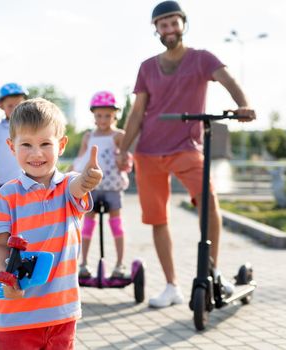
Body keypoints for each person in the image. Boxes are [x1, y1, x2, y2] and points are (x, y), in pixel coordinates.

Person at [117, 1, 256, 308]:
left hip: (186, 147)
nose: (169, 29)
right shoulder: (147, 67)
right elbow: (137, 112)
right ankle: (171, 286)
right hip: (149, 151)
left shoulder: (201, 59)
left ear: (183, 24)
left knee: (208, 203)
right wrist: (123, 149)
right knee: (157, 219)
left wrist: (243, 104)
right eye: (163, 24)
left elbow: (229, 81)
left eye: (173, 22)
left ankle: (213, 273)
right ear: (156, 30)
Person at [0, 98, 102, 349]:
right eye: (26, 144)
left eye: (45, 144)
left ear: (61, 145)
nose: (36, 153)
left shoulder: (67, 187)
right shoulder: (6, 196)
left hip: (61, 314)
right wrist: (4, 276)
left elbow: (78, 186)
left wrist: (88, 179)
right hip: (16, 315)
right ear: (11, 146)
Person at [73, 91, 130, 279]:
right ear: (93, 116)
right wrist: (71, 174)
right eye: (99, 115)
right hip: (92, 187)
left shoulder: (119, 136)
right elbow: (81, 159)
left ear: (115, 115)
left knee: (116, 224)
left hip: (113, 186)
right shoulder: (88, 137)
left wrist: (125, 161)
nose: (103, 119)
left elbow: (126, 157)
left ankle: (120, 264)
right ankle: (83, 263)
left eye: (108, 115)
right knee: (87, 224)